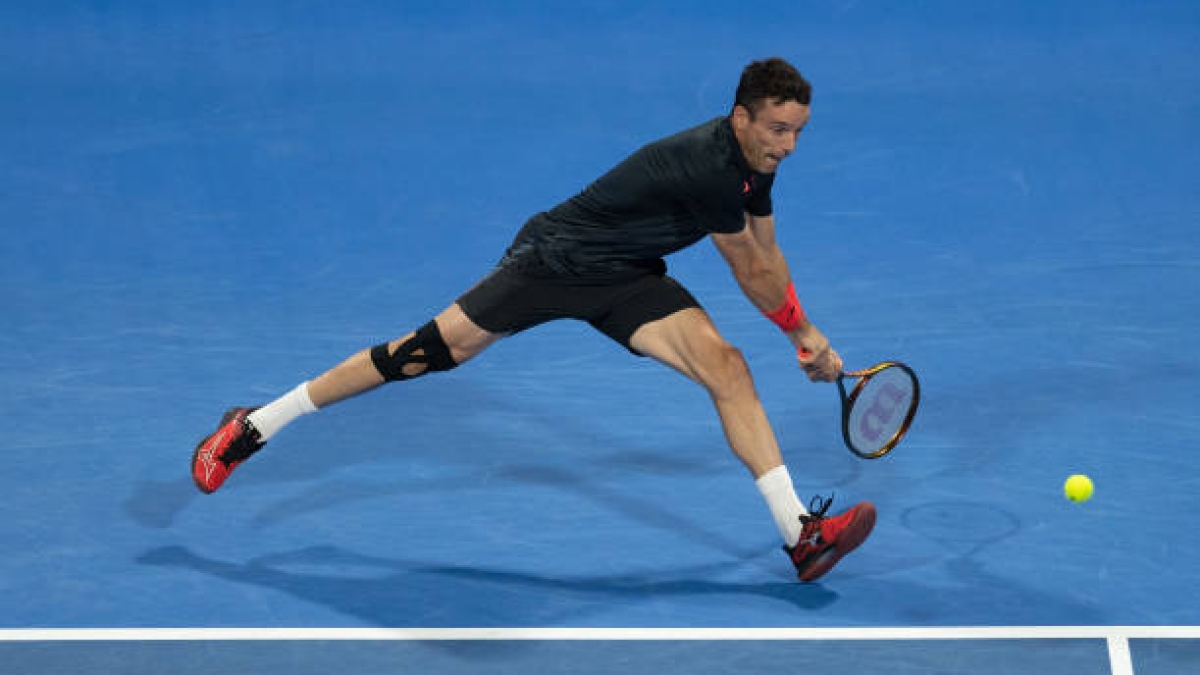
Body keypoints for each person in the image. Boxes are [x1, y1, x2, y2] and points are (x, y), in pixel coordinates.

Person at [191, 57, 876, 583]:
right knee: (421, 355)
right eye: (778, 129)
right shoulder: (712, 167)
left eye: (797, 132)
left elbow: (769, 249)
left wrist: (802, 333)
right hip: (554, 260)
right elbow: (749, 271)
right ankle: (254, 424)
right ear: (740, 118)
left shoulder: (758, 164)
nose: (788, 145)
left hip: (627, 277)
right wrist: (802, 334)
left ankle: (800, 537)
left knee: (726, 367)